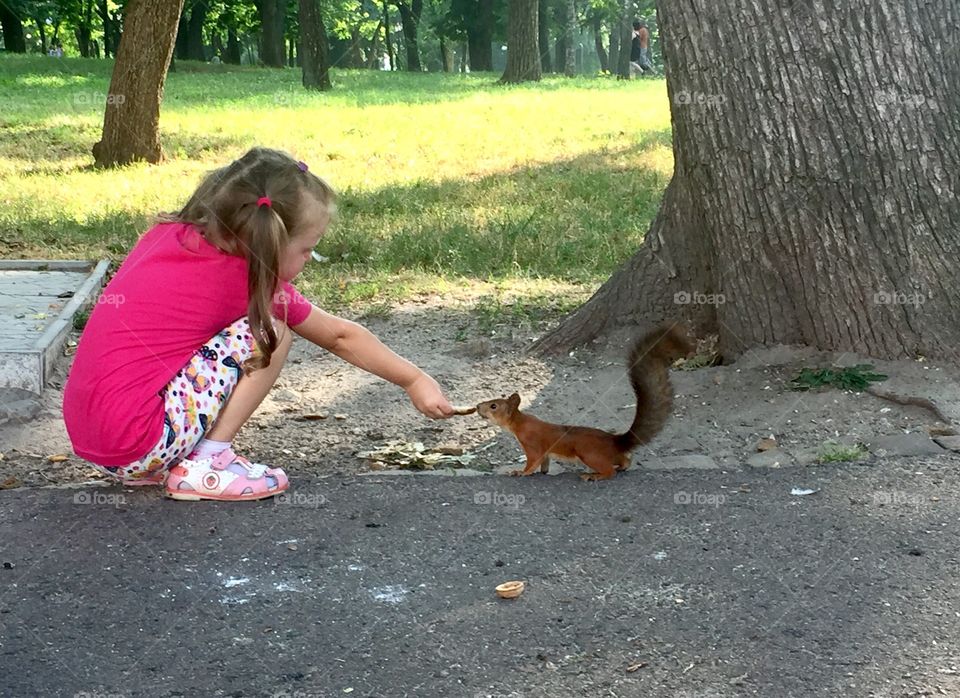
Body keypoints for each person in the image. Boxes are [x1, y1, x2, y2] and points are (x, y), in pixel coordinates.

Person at [63, 147, 455, 502]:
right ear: (269, 240)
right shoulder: (250, 281)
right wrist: (412, 379)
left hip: (93, 438)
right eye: (308, 250)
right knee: (271, 331)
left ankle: (168, 462)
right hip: (139, 441)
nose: (307, 260)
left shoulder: (165, 235)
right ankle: (206, 466)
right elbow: (339, 336)